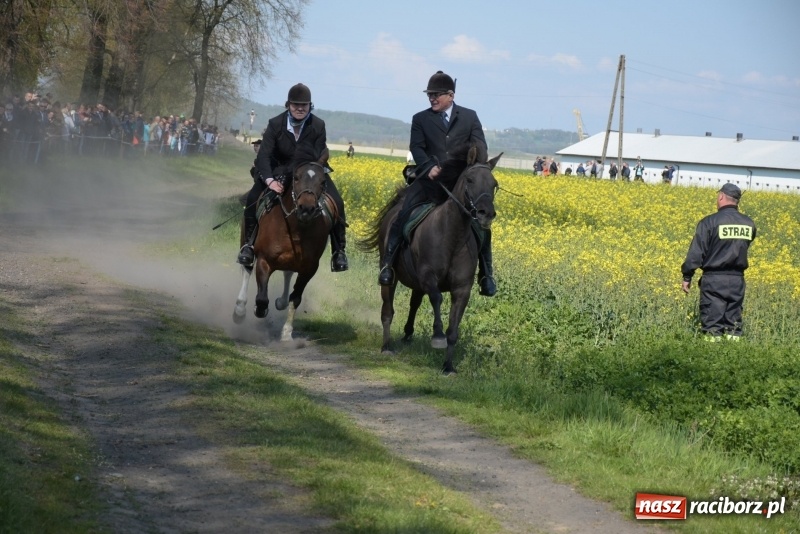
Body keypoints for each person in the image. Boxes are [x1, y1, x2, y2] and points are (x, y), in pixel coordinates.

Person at [378, 70, 496, 296]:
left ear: (450, 95)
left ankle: (486, 274)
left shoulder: (470, 117)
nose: (432, 98)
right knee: (402, 214)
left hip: (459, 184)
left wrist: (470, 163)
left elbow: (480, 145)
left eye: (436, 94)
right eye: (429, 95)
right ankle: (388, 265)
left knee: (482, 225)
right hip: (429, 182)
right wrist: (428, 167)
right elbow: (417, 148)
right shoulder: (420, 119)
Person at [237, 83, 349, 272]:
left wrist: (301, 174)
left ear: (310, 106)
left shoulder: (318, 125)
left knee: (337, 201)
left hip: (308, 172)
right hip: (277, 171)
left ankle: (339, 252)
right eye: (296, 104)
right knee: (253, 198)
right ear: (288, 105)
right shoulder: (275, 124)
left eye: (304, 105)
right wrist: (270, 181)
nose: (300, 108)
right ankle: (248, 245)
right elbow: (264, 155)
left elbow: (316, 154)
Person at [681, 183, 756, 341]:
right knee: (733, 325)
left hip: (714, 280)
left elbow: (696, 253)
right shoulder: (749, 223)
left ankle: (711, 353)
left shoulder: (709, 222)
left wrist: (687, 276)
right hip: (737, 280)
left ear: (721, 196)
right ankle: (733, 354)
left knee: (712, 325)